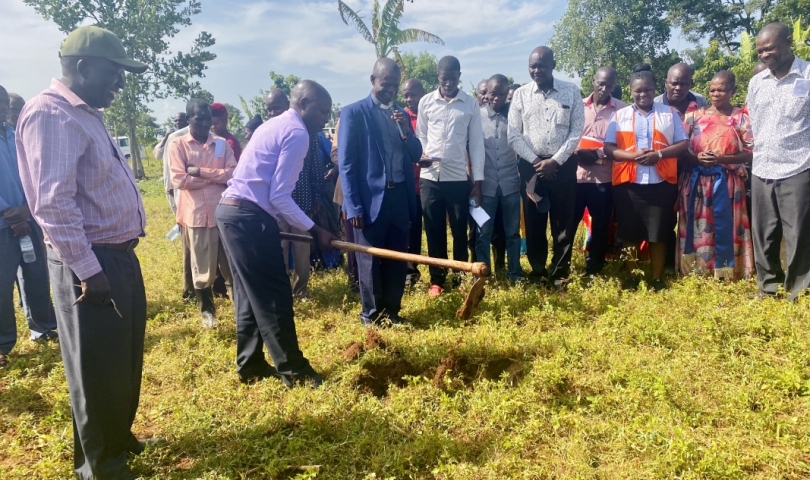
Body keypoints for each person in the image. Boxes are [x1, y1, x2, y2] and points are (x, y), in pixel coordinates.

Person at [16, 25, 153, 480]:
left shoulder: (86, 113)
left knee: (123, 358)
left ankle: (118, 439)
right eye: (115, 72)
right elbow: (53, 203)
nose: (120, 83)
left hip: (117, 255)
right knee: (96, 368)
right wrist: (88, 270)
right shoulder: (50, 114)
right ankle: (100, 465)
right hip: (90, 261)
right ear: (82, 67)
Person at [216, 80, 335, 386]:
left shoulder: (273, 125)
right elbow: (279, 196)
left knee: (249, 294)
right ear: (304, 104)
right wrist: (315, 230)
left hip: (232, 213)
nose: (325, 119)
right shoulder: (297, 132)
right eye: (322, 111)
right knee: (274, 295)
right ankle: (295, 371)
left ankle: (251, 364)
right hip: (249, 218)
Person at [339, 58, 423, 325]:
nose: (391, 90)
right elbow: (346, 164)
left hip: (399, 197)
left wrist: (405, 131)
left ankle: (392, 311)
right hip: (369, 200)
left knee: (397, 256)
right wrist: (353, 206)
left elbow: (416, 154)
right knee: (370, 259)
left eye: (395, 85)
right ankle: (371, 315)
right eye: (385, 84)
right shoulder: (354, 113)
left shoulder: (400, 115)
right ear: (373, 81)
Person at [604, 68, 689, 291]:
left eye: (648, 90)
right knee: (628, 233)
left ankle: (657, 278)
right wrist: (633, 157)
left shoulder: (669, 113)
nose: (643, 94)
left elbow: (683, 143)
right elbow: (608, 148)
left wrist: (658, 155)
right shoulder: (619, 115)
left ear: (655, 89)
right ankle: (631, 276)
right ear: (631, 91)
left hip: (661, 183)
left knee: (658, 234)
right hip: (628, 184)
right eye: (638, 91)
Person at [508, 46, 585, 288]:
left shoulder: (571, 91)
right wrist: (536, 161)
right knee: (534, 222)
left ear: (553, 65)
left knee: (563, 222)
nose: (537, 70)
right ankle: (538, 271)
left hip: (562, 166)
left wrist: (555, 161)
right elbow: (513, 135)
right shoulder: (521, 94)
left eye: (542, 65)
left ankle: (560, 273)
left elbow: (576, 131)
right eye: (532, 66)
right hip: (532, 168)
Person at [747, 22, 810, 300]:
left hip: (799, 166)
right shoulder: (757, 82)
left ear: (788, 42)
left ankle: (799, 290)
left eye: (770, 49)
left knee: (798, 233)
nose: (764, 55)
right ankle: (768, 286)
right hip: (762, 166)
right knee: (764, 233)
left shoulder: (807, 75)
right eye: (760, 51)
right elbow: (755, 122)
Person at [417, 55, 485, 298]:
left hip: (457, 178)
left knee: (458, 229)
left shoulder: (470, 104)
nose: (448, 83)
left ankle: (459, 275)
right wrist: (422, 154)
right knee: (433, 229)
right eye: (444, 79)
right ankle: (437, 280)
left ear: (459, 76)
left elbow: (476, 145)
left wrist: (477, 183)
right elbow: (421, 135)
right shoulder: (426, 102)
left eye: (453, 79)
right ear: (438, 77)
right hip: (430, 177)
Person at [0, 85, 58, 368]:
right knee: (2, 286)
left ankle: (42, 327)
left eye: (3, 102)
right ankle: (2, 344)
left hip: (29, 217)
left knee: (36, 275)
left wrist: (26, 209)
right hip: (3, 225)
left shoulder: (16, 135)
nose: (1, 108)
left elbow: (34, 173)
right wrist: (10, 214)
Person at [677, 71, 754, 280]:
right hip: (696, 181)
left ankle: (729, 271)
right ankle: (696, 270)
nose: (716, 94)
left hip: (727, 182)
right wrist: (696, 158)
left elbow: (750, 151)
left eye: (721, 90)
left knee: (726, 225)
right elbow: (681, 148)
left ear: (733, 91)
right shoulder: (694, 116)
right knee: (698, 225)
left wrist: (721, 158)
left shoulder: (741, 118)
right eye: (712, 90)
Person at [169, 99, 236, 327]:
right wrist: (216, 177)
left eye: (208, 118)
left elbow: (233, 173)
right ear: (189, 119)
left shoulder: (221, 144)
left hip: (223, 213)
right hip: (196, 215)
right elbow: (179, 180)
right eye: (199, 119)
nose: (206, 123)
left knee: (231, 264)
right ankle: (207, 311)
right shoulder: (178, 145)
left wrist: (200, 172)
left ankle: (239, 305)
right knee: (202, 267)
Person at [573, 66, 626, 276]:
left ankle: (594, 267)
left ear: (614, 86)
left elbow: (624, 143)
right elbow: (566, 135)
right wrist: (577, 152)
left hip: (603, 178)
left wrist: (598, 153)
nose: (604, 89)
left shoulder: (622, 111)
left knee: (601, 224)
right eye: (601, 83)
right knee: (568, 222)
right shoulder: (577, 106)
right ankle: (562, 265)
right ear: (593, 81)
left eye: (609, 85)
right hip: (576, 177)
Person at [475, 75, 522, 281]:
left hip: (511, 185)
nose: (497, 98)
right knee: (483, 233)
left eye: (502, 94)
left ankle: (515, 274)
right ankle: (482, 274)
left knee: (512, 233)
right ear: (487, 92)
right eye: (493, 93)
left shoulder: (515, 116)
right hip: (484, 187)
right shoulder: (476, 116)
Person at [279, 128, 326, 299]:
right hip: (278, 203)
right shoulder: (276, 132)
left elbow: (315, 167)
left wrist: (317, 196)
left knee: (302, 248)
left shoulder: (309, 134)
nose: (271, 114)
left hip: (302, 200)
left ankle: (300, 291)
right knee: (280, 248)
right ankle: (282, 290)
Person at [153, 112, 195, 299]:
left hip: (201, 200)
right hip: (181, 197)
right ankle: (189, 288)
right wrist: (171, 191)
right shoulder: (174, 138)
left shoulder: (203, 136)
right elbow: (166, 167)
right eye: (175, 121)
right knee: (187, 242)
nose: (178, 123)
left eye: (181, 120)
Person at [402, 78, 426, 285]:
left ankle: (440, 270)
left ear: (423, 93)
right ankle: (411, 272)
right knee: (412, 230)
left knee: (436, 229)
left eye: (413, 94)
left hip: (433, 181)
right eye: (406, 95)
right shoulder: (400, 118)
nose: (409, 99)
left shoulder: (432, 114)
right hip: (411, 185)